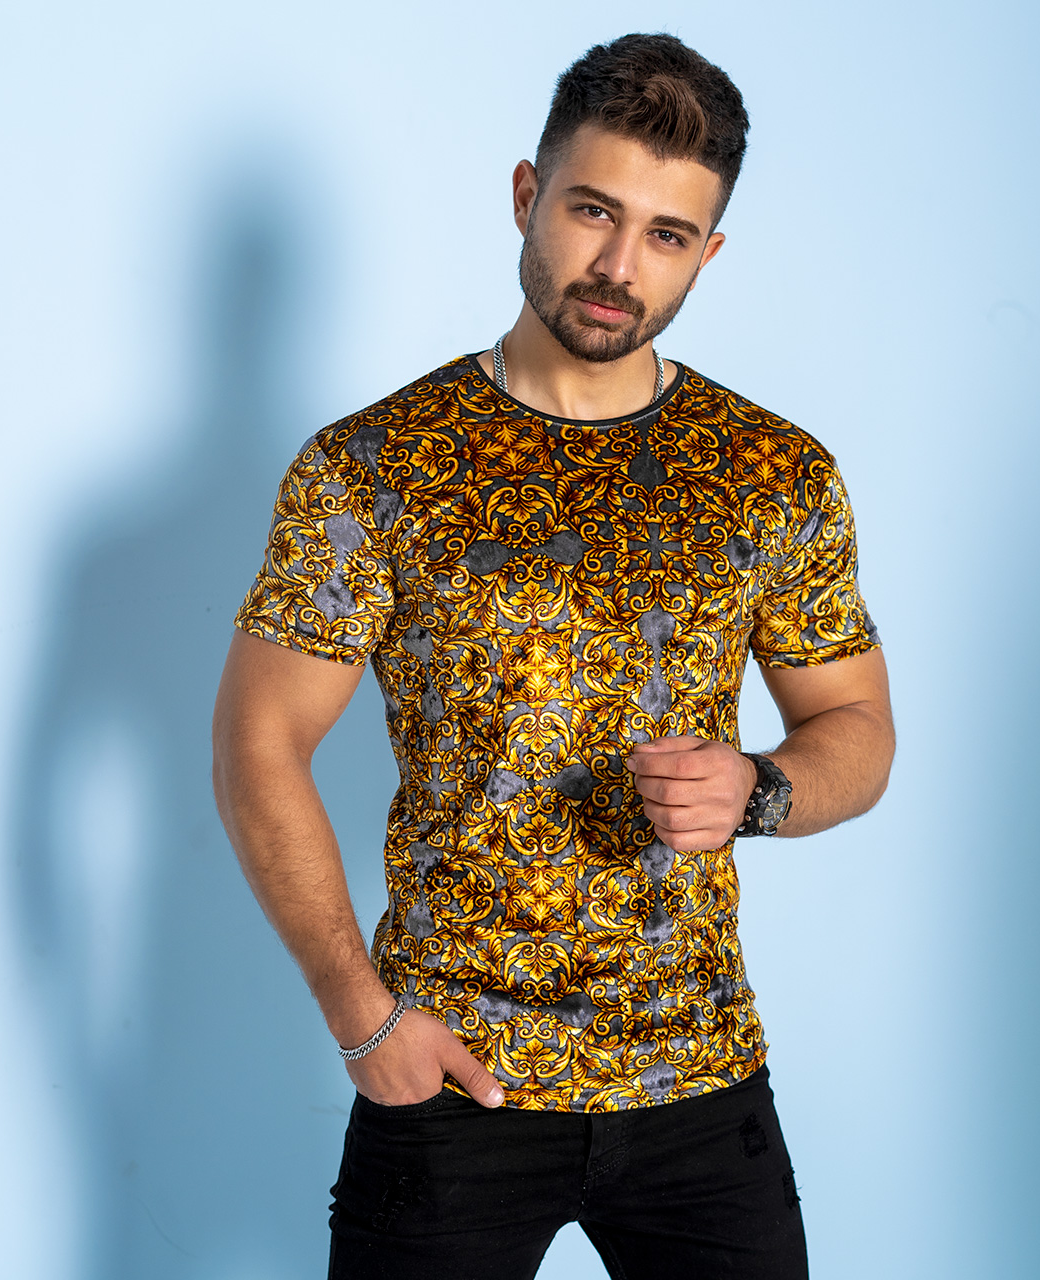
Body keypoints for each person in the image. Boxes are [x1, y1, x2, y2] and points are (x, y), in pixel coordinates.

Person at [213, 31, 894, 1280]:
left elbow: (855, 726)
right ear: (527, 193)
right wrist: (361, 1017)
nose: (619, 267)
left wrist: (759, 788)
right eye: (592, 211)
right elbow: (258, 741)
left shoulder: (772, 473)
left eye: (667, 235)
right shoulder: (374, 467)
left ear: (707, 252)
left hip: (700, 1078)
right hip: (450, 1078)